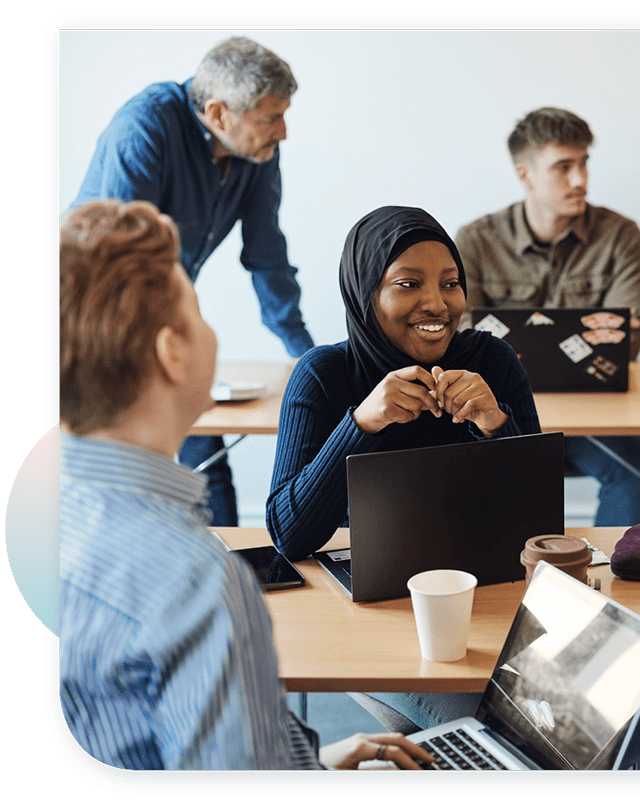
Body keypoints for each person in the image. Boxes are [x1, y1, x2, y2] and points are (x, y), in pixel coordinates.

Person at [58, 199, 431, 770]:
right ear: (172, 353)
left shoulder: (52, 522)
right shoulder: (196, 581)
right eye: (200, 311)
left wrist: (314, 765)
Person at [71, 36, 316, 527]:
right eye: (272, 117)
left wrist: (306, 355)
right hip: (97, 317)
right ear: (220, 113)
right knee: (144, 453)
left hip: (165, 308)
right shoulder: (144, 126)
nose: (284, 131)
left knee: (206, 452)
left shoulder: (258, 153)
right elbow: (124, 262)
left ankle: (228, 562)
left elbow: (267, 256)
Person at [266, 206, 541, 561]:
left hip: (482, 581)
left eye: (451, 284)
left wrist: (495, 424)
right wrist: (362, 424)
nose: (437, 303)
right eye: (408, 284)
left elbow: (542, 524)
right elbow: (289, 538)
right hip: (373, 583)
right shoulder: (323, 374)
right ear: (366, 294)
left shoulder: (493, 361)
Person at [454, 107, 640, 527]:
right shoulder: (475, 240)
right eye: (563, 167)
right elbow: (460, 341)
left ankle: (611, 582)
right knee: (453, 471)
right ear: (524, 173)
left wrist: (513, 345)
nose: (580, 180)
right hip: (500, 409)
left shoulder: (620, 235)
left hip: (596, 413)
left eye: (583, 164)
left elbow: (627, 345)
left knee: (637, 475)